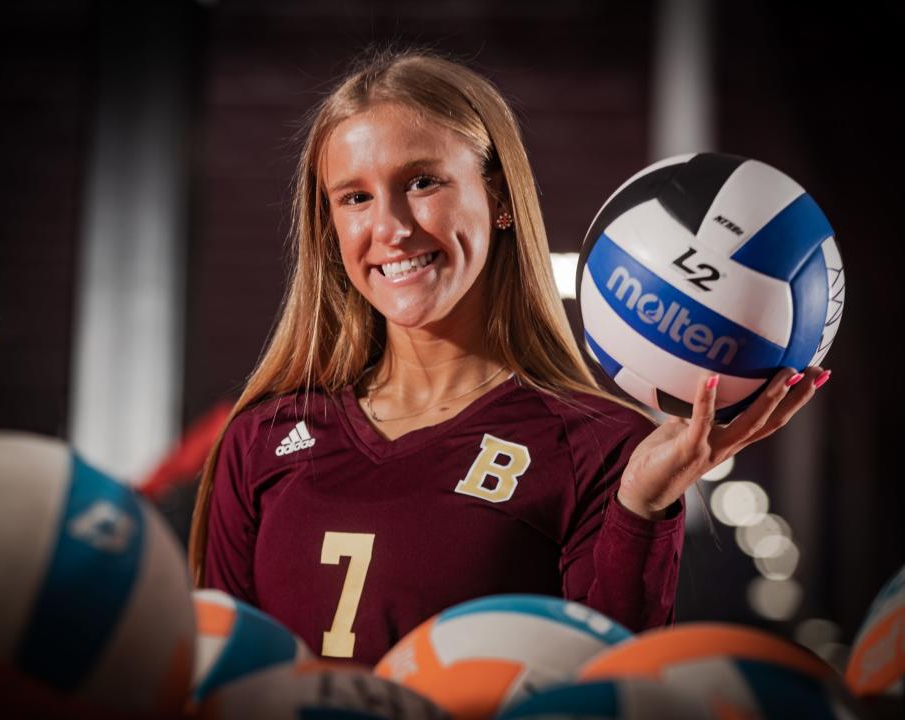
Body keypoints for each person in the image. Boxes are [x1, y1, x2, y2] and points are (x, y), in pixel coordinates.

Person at [187, 49, 828, 666]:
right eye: (354, 197)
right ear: (329, 226)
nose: (391, 227)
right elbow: (214, 681)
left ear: (498, 199)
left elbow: (604, 692)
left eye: (422, 182)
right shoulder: (261, 438)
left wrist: (641, 505)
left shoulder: (603, 448)